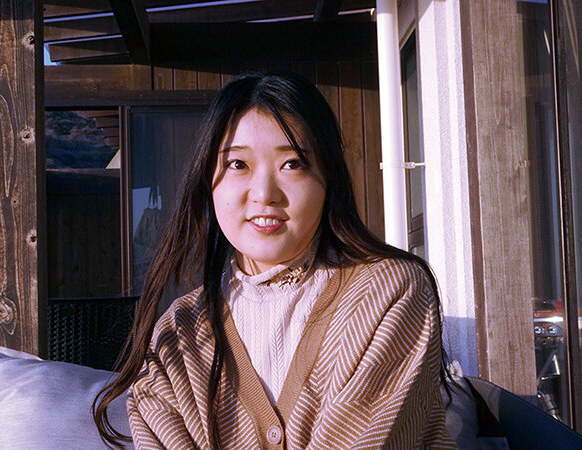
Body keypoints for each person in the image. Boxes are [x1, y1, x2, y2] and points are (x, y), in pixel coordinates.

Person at [93, 72, 455, 449]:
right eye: (238, 164)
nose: (265, 194)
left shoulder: (387, 292)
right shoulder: (179, 332)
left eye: (292, 163)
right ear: (208, 180)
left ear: (328, 178)